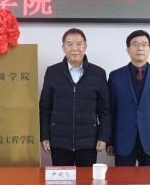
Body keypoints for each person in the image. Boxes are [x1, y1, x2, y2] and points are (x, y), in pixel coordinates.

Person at [39, 28, 111, 167]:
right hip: (59, 141)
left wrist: (103, 137)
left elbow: (105, 110)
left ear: (85, 46)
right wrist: (45, 136)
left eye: (79, 44)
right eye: (70, 44)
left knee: (86, 180)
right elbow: (45, 108)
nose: (74, 49)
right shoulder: (52, 72)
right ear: (63, 48)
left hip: (88, 142)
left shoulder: (98, 73)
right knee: (62, 179)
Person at [107, 30, 150, 166]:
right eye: (135, 44)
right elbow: (110, 111)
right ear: (128, 49)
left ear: (149, 49)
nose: (140, 48)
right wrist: (110, 141)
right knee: (123, 179)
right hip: (122, 139)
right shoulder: (115, 76)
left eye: (144, 44)